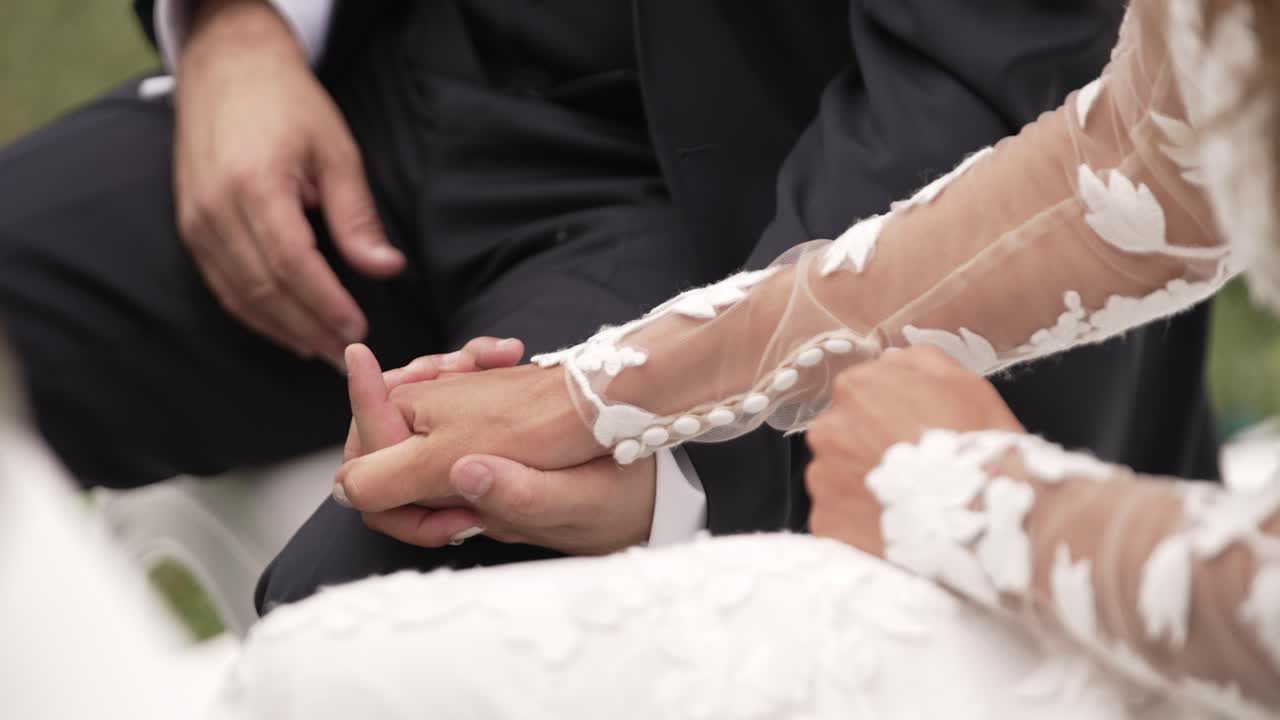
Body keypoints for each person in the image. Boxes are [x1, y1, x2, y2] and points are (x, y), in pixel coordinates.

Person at [3, 2, 1278, 717]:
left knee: (356, 652)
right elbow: (1116, 176)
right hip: (400, 89)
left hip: (766, 213)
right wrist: (602, 399)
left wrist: (953, 500)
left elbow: (995, 129)